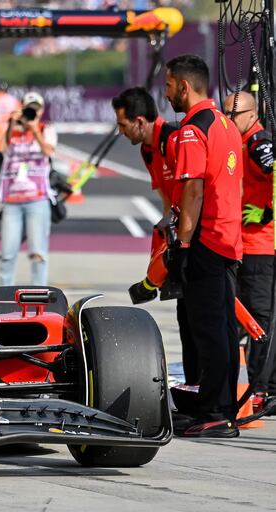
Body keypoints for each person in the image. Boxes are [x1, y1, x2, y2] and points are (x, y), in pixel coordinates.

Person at [164, 54, 243, 437]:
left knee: (208, 329)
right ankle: (221, 406)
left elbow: (193, 189)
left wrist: (182, 243)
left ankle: (215, 411)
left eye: (167, 85)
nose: (166, 93)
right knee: (225, 329)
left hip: (206, 240)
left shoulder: (194, 129)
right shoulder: (226, 123)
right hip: (229, 239)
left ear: (184, 85)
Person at [111, 88, 201, 385]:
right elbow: (167, 203)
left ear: (139, 121)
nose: (120, 131)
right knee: (185, 318)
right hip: (180, 238)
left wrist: (185, 242)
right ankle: (194, 386)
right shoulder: (148, 150)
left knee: (201, 321)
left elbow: (195, 191)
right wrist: (161, 264)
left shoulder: (174, 139)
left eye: (123, 124)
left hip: (199, 238)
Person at [224, 91, 276, 408]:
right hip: (246, 243)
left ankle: (261, 389)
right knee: (249, 316)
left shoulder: (260, 143)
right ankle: (264, 386)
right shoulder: (243, 141)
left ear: (251, 114)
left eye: (234, 116)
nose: (229, 122)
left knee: (258, 318)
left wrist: (268, 212)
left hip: (260, 245)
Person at [0, 91, 56, 286]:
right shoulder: (12, 131)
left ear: (41, 111)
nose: (32, 113)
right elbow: (0, 148)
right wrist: (11, 124)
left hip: (37, 199)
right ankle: (4, 297)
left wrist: (35, 130)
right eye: (29, 109)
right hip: (12, 201)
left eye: (36, 109)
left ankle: (39, 294)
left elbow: (48, 151)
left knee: (38, 252)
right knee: (7, 253)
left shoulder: (46, 129)